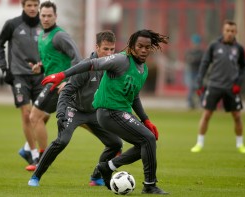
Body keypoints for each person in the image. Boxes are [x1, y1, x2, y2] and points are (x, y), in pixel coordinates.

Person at [40, 29, 169, 195]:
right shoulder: (121, 60)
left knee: (145, 144)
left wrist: (146, 120)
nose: (144, 50)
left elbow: (134, 96)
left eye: (147, 47)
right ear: (132, 46)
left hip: (121, 112)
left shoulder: (143, 69)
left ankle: (106, 167)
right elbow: (90, 64)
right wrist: (63, 75)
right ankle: (150, 185)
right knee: (148, 139)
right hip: (109, 111)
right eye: (140, 46)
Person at [28, 30, 123, 187]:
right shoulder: (86, 67)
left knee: (115, 143)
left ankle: (96, 176)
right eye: (105, 49)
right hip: (74, 110)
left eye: (112, 49)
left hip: (93, 113)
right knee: (62, 141)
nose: (109, 53)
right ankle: (36, 176)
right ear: (97, 47)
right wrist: (61, 112)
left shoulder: (111, 67)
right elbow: (66, 91)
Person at [25, 1, 82, 171]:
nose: (46, 18)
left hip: (58, 85)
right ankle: (113, 143)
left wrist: (68, 82)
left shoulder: (59, 36)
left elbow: (77, 59)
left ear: (56, 17)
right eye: (43, 15)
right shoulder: (42, 34)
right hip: (51, 82)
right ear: (39, 16)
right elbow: (52, 59)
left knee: (34, 117)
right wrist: (40, 66)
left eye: (50, 15)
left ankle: (42, 160)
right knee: (84, 120)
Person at [190, 20, 245, 154]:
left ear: (236, 32)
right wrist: (199, 82)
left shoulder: (239, 49)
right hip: (214, 85)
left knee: (237, 116)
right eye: (227, 30)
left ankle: (240, 145)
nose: (230, 33)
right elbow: (205, 64)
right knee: (206, 115)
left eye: (232, 31)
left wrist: (238, 83)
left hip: (231, 88)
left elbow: (244, 67)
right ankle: (199, 143)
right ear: (223, 31)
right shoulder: (214, 46)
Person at [0, 0, 43, 167]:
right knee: (26, 114)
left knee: (42, 116)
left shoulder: (45, 24)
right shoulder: (12, 24)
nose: (32, 8)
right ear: (23, 6)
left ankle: (25, 148)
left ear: (38, 6)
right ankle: (34, 155)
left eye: (35, 5)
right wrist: (4, 68)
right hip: (18, 75)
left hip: (40, 75)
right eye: (28, 5)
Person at [185, 34, 204, 109]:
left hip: (198, 73)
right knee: (191, 88)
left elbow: (199, 59)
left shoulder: (201, 52)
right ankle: (190, 103)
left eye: (197, 43)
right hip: (190, 72)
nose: (195, 44)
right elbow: (187, 59)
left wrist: (193, 59)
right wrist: (194, 59)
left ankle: (201, 102)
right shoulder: (189, 51)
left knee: (198, 88)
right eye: (194, 42)